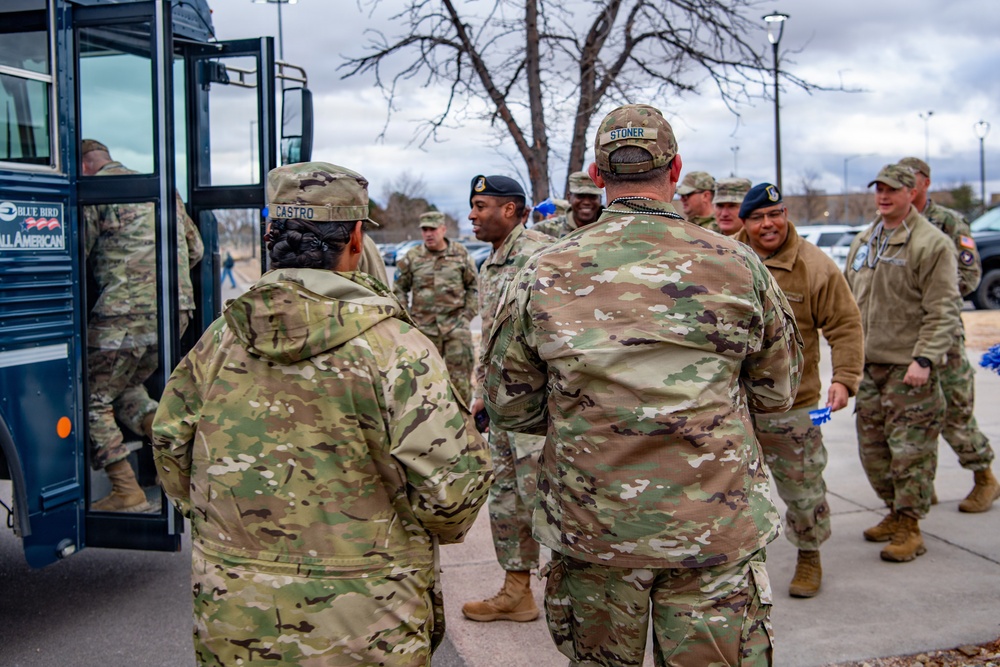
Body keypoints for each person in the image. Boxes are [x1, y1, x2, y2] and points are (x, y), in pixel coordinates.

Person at [484, 104, 802, 665]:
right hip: (714, 525)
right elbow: (777, 392)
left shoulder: (542, 271)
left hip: (595, 530)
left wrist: (590, 420)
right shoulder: (739, 265)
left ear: (598, 174)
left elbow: (510, 405)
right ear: (676, 169)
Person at [151, 161, 493, 666]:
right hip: (368, 623)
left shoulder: (218, 340)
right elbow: (452, 498)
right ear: (356, 238)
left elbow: (170, 452)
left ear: (271, 236)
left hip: (236, 618)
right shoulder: (396, 349)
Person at [737, 182, 864, 597]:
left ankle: (809, 554)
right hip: (730, 403)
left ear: (786, 214)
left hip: (794, 405)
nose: (768, 224)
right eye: (757, 217)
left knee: (803, 487)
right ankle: (735, 562)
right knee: (727, 491)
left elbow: (845, 325)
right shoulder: (724, 257)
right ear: (744, 222)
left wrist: (845, 379)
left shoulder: (815, 265)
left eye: (776, 214)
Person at [843, 164, 962, 562]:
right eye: (878, 188)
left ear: (912, 193)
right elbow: (848, 301)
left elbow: (943, 308)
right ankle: (893, 512)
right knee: (873, 451)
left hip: (908, 369)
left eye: (892, 189)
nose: (883, 195)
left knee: (911, 453)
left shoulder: (931, 243)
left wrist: (925, 358)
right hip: (870, 366)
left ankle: (910, 527)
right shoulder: (865, 239)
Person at [81, 138, 202, 511]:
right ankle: (190, 465)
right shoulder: (161, 188)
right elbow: (195, 250)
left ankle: (126, 491)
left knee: (92, 396)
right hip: (174, 312)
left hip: (122, 317)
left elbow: (76, 254)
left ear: (83, 165)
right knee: (125, 387)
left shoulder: (95, 190)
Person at [463, 175, 553, 623]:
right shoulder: (490, 263)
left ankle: (571, 591)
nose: (472, 215)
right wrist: (481, 391)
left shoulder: (541, 255)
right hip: (501, 407)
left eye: (482, 206)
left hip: (540, 410)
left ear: (511, 209)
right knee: (505, 498)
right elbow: (490, 337)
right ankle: (518, 592)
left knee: (547, 497)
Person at [897, 156, 998, 513]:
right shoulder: (895, 224)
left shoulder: (949, 223)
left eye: (907, 180)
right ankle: (922, 490)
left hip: (945, 336)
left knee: (956, 413)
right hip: (907, 337)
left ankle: (984, 478)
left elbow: (970, 277)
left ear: (924, 183)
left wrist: (930, 292)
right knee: (914, 419)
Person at [393, 210, 479, 402]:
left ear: (443, 229)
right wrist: (408, 320)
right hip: (424, 331)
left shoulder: (460, 254)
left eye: (433, 229)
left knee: (460, 383)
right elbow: (398, 289)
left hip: (456, 329)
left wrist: (466, 317)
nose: (428, 234)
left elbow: (474, 286)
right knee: (423, 382)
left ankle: (464, 425)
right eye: (424, 229)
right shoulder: (412, 257)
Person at [532, 171, 603, 238]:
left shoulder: (611, 227)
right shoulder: (546, 229)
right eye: (580, 196)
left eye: (592, 196)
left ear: (600, 199)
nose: (586, 202)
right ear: (569, 198)